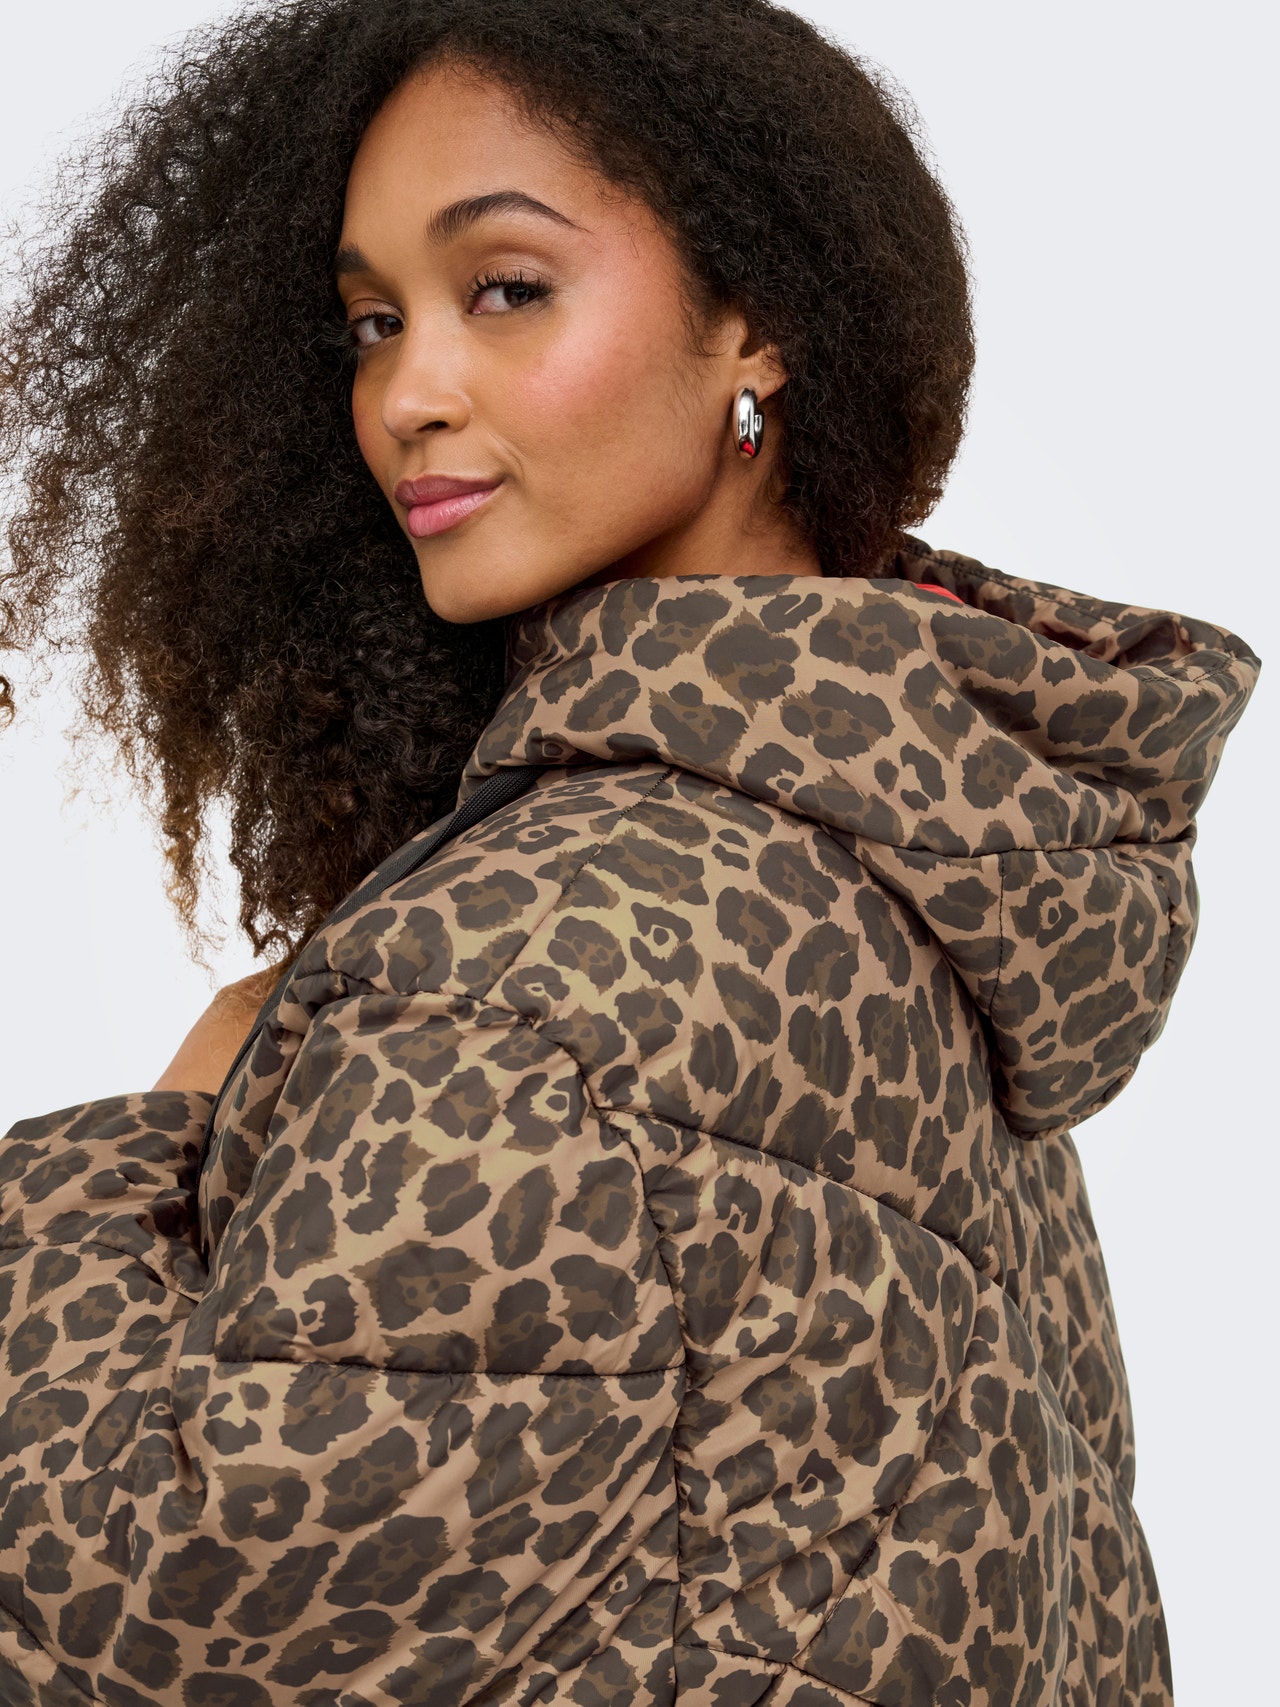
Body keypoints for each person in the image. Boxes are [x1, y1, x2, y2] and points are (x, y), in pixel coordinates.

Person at [0, 1, 1258, 1703]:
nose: (407, 395)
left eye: (507, 287)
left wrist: (132, 1154)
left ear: (758, 321)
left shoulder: (528, 968)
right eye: (372, 323)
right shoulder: (918, 845)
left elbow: (166, 1621)